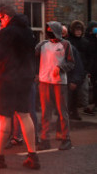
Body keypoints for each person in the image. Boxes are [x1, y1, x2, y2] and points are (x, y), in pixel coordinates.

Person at [0, 4, 40, 170]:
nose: (1, 23)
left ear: (4, 16)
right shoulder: (27, 31)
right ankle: (32, 157)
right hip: (25, 78)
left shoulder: (8, 31)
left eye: (1, 19)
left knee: (3, 117)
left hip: (9, 79)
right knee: (24, 115)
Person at [36, 21, 74, 151]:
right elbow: (32, 57)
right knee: (45, 112)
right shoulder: (42, 45)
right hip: (44, 81)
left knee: (62, 112)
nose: (49, 31)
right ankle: (45, 139)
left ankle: (66, 139)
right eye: (48, 29)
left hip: (59, 82)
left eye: (51, 29)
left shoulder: (65, 44)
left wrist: (61, 67)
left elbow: (71, 63)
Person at [67, 20, 90, 120]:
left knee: (79, 92)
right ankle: (70, 111)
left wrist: (87, 70)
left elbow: (89, 57)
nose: (78, 32)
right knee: (69, 93)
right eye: (76, 30)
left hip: (82, 70)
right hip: (70, 70)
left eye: (80, 30)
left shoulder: (85, 42)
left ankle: (74, 111)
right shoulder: (68, 42)